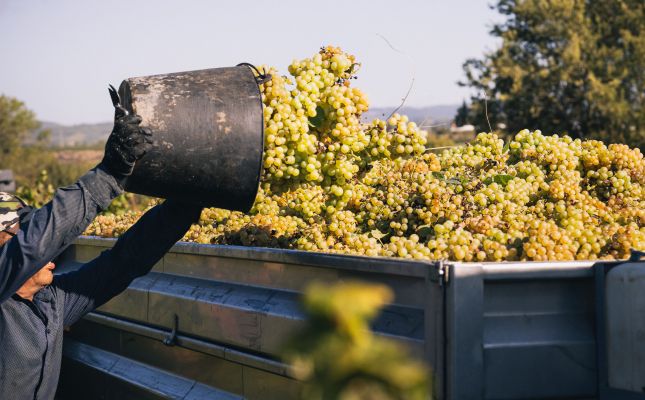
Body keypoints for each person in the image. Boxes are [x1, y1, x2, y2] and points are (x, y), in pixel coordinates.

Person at [0, 88, 202, 400]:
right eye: (20, 231)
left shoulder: (52, 302)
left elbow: (123, 263)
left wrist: (184, 205)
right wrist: (110, 174)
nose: (47, 247)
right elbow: (36, 244)